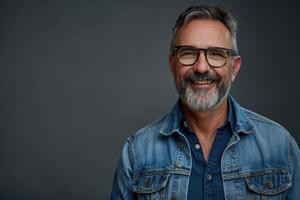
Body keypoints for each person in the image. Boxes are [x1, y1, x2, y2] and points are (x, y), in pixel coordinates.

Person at [111, 5, 300, 200]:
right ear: (172, 64)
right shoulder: (137, 152)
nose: (201, 67)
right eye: (188, 53)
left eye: (217, 54)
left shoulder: (280, 145)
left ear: (234, 67)